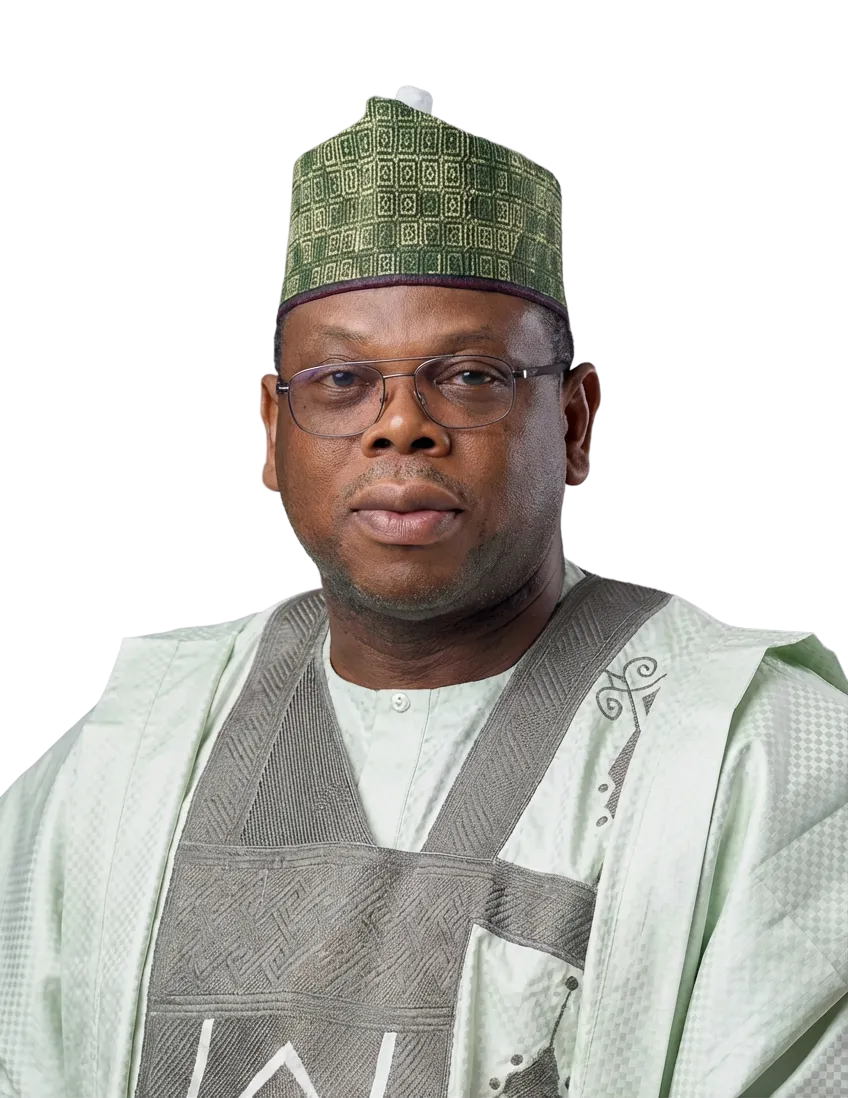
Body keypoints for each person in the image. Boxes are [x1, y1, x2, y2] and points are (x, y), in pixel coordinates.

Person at [1, 85, 845, 1098]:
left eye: (472, 376)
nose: (400, 424)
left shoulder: (762, 752)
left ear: (574, 423)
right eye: (341, 381)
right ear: (271, 430)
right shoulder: (125, 754)